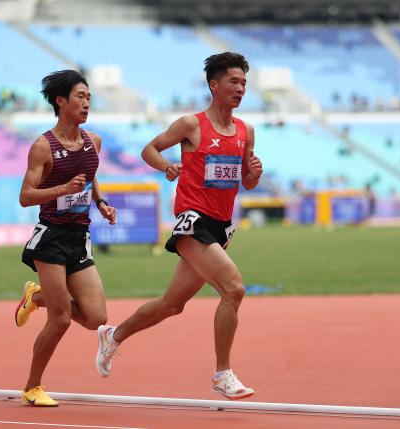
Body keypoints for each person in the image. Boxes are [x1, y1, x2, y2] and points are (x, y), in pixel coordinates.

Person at [95, 52, 263, 400]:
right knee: (233, 289)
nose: (240, 88)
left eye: (244, 83)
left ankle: (113, 336)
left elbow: (246, 183)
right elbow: (149, 149)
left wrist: (253, 173)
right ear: (214, 85)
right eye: (234, 81)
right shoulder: (191, 124)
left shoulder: (246, 131)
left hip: (220, 227)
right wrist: (166, 167)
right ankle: (223, 373)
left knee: (172, 304)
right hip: (193, 221)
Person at [14, 70, 116, 407]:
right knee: (60, 320)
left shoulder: (93, 141)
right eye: (80, 97)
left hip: (79, 236)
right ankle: (32, 386)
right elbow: (26, 196)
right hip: (51, 238)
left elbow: (90, 177)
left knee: (96, 318)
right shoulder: (43, 146)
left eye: (89, 97)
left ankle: (36, 297)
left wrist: (100, 202)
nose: (87, 103)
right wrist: (62, 189)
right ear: (61, 101)